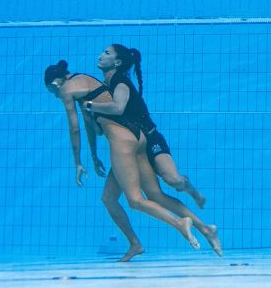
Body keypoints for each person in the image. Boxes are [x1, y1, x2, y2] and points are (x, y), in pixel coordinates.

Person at [44, 60, 202, 257]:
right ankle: (135, 244)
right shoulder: (85, 82)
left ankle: (180, 223)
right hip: (138, 137)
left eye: (53, 92)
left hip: (122, 142)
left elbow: (74, 129)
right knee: (112, 198)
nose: (56, 96)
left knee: (135, 200)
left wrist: (78, 163)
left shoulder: (67, 90)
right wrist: (94, 156)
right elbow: (90, 127)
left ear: (55, 84)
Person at [83, 44, 221, 261]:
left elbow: (118, 108)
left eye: (107, 53)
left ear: (117, 62)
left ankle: (192, 191)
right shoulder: (108, 85)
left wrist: (90, 106)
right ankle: (204, 229)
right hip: (133, 145)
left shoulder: (120, 81)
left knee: (172, 180)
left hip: (150, 138)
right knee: (134, 196)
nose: (101, 55)